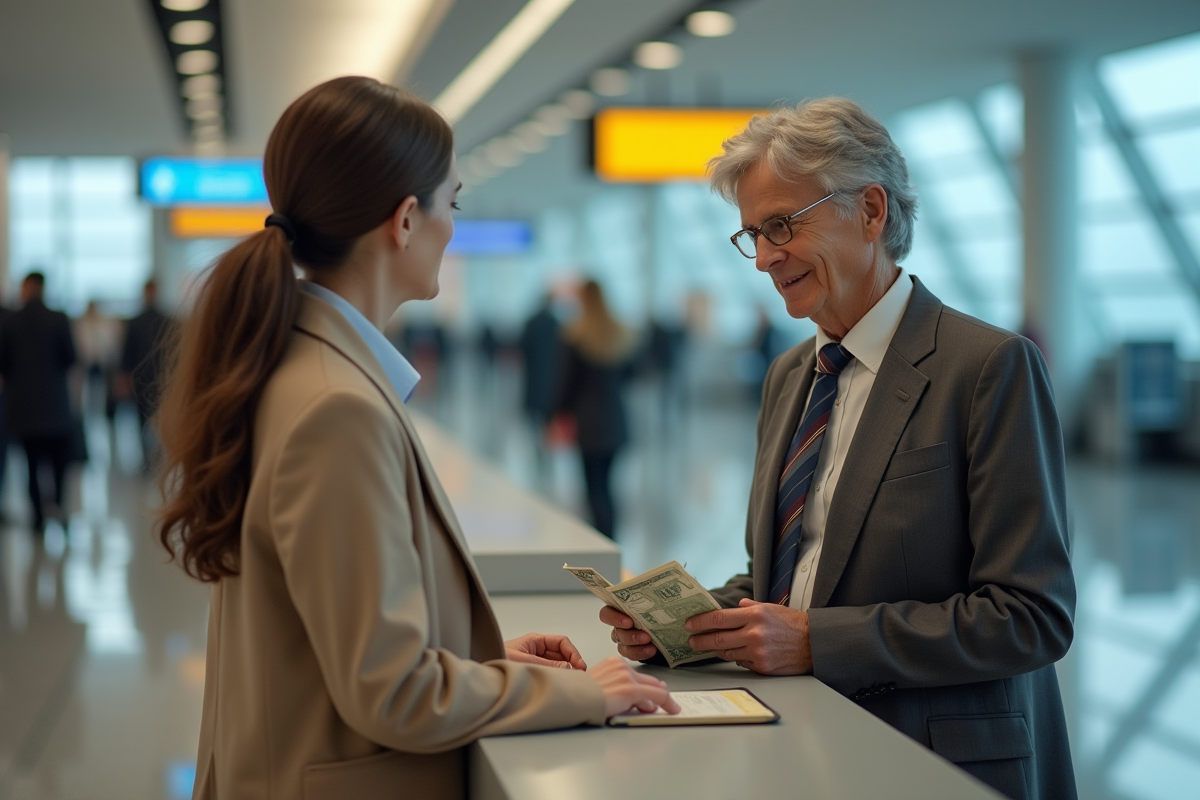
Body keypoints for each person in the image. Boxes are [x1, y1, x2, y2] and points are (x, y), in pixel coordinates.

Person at [154, 77, 676, 800]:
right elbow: (392, 693)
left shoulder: (296, 368)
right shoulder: (338, 410)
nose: (452, 227)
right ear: (405, 220)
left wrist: (480, 660)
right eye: (451, 203)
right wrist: (588, 695)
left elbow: (325, 631)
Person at [600, 99, 1076, 800]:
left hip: (936, 762)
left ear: (872, 211)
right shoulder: (791, 376)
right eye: (752, 235)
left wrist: (820, 642)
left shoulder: (986, 367)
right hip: (801, 743)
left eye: (782, 226)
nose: (764, 258)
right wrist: (691, 625)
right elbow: (789, 582)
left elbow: (1030, 616)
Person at [553, 280, 635, 539]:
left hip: (588, 422)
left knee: (593, 486)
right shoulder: (619, 333)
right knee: (608, 486)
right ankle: (611, 536)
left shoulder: (576, 336)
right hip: (616, 420)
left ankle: (600, 539)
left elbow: (567, 384)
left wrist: (557, 413)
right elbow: (631, 375)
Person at [0, 273, 77, 532]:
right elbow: (70, 359)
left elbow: (4, 364)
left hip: (23, 408)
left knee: (31, 465)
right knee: (58, 464)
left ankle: (37, 518)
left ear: (25, 288)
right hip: (55, 404)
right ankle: (56, 505)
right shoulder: (58, 319)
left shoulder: (10, 321)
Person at [119, 280, 175, 463]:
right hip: (146, 376)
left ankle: (156, 454)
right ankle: (148, 456)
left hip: (157, 376)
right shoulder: (142, 321)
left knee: (157, 418)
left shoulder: (164, 320)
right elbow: (127, 351)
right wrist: (125, 376)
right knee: (143, 418)